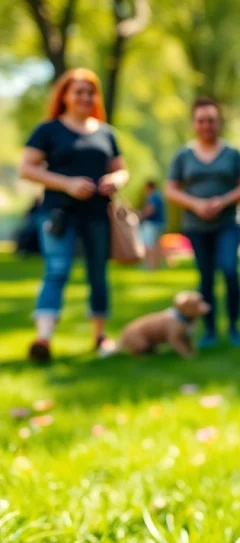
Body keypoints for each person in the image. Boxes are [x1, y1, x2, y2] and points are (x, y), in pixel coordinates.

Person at [18, 68, 129, 363]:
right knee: (57, 271)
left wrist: (116, 180)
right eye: (78, 91)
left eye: (90, 92)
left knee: (98, 274)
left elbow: (121, 169)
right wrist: (66, 183)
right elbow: (27, 168)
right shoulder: (49, 130)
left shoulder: (106, 132)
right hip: (58, 214)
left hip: (97, 214)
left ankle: (100, 336)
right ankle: (43, 339)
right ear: (65, 95)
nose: (85, 97)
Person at [165, 97, 240, 349]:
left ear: (219, 122)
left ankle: (234, 327)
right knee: (205, 278)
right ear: (194, 124)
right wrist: (196, 204)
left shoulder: (232, 153)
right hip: (196, 226)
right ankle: (209, 330)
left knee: (229, 270)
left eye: (211, 120)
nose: (206, 125)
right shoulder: (183, 155)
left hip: (228, 223)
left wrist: (222, 201)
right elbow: (170, 189)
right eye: (201, 120)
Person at [139, 179, 165, 270]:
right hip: (159, 223)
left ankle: (150, 266)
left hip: (152, 224)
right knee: (156, 246)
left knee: (150, 246)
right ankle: (155, 266)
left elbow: (150, 209)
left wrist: (141, 216)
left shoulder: (153, 196)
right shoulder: (158, 195)